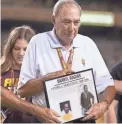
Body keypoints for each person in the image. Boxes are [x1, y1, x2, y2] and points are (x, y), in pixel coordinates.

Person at [18, 0, 116, 123]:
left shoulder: (88, 44)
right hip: (48, 119)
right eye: (66, 22)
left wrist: (104, 104)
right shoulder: (37, 42)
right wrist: (48, 79)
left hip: (84, 119)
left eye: (76, 22)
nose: (71, 28)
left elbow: (107, 84)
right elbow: (22, 90)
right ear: (54, 20)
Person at [1, 25, 35, 123]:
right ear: (10, 49)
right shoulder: (1, 71)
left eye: (25, 49)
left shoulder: (39, 74)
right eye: (17, 48)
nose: (21, 53)